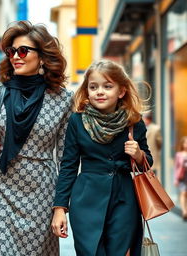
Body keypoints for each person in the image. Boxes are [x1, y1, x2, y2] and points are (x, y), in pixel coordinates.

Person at [0, 21, 73, 255]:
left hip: (41, 193)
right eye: (11, 51)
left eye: (23, 50)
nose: (15, 56)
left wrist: (61, 207)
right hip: (0, 187)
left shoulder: (63, 99)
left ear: (42, 58)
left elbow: (66, 158)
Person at [51, 59, 153, 256]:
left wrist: (139, 154)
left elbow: (147, 163)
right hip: (86, 200)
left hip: (124, 200)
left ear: (121, 91)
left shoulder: (134, 122)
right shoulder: (77, 121)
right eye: (93, 86)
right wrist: (60, 208)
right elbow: (68, 167)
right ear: (87, 90)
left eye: (107, 86)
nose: (100, 91)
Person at [143, 111, 162, 181]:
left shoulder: (156, 128)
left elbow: (159, 143)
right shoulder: (141, 128)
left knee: (153, 178)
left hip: (152, 155)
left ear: (148, 119)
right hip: (142, 157)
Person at [174, 136, 187, 221]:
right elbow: (176, 167)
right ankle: (184, 211)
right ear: (182, 144)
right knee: (183, 193)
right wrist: (175, 179)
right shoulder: (179, 154)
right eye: (185, 143)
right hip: (182, 176)